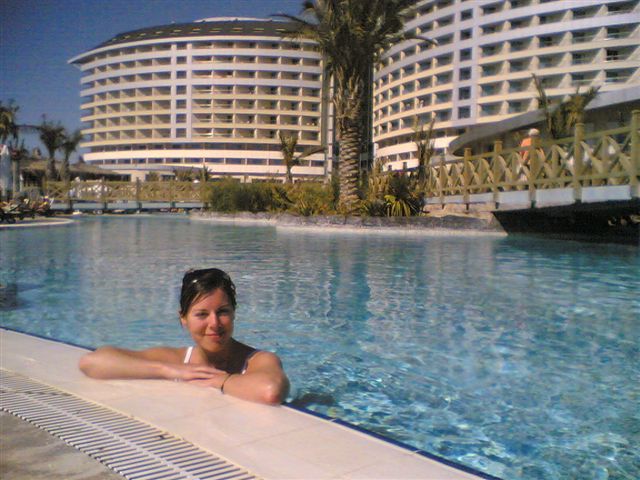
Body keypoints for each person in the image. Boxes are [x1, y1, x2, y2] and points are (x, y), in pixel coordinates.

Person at [79, 268, 289, 405]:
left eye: (223, 312)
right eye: (202, 314)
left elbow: (270, 392)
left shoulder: (258, 361)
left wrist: (222, 380)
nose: (214, 323)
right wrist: (168, 370)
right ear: (184, 319)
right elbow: (92, 362)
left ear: (234, 313)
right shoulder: (178, 360)